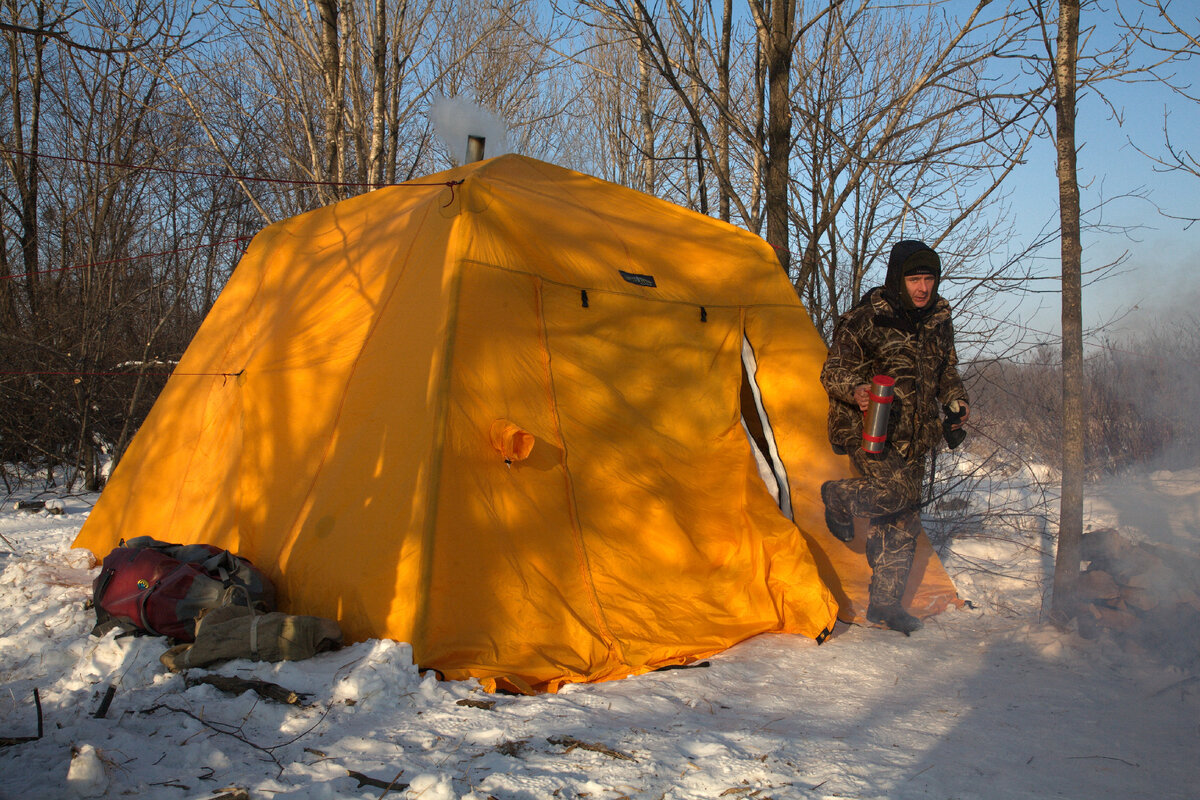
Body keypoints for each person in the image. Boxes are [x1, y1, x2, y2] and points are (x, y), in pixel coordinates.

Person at [819, 239, 969, 635]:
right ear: (898, 279)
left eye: (929, 279)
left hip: (916, 435)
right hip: (870, 429)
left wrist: (956, 400)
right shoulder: (865, 318)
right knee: (896, 493)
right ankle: (837, 495)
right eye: (915, 279)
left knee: (902, 520)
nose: (923, 288)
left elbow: (947, 373)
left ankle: (885, 606)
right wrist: (856, 390)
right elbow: (832, 370)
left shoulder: (939, 321)